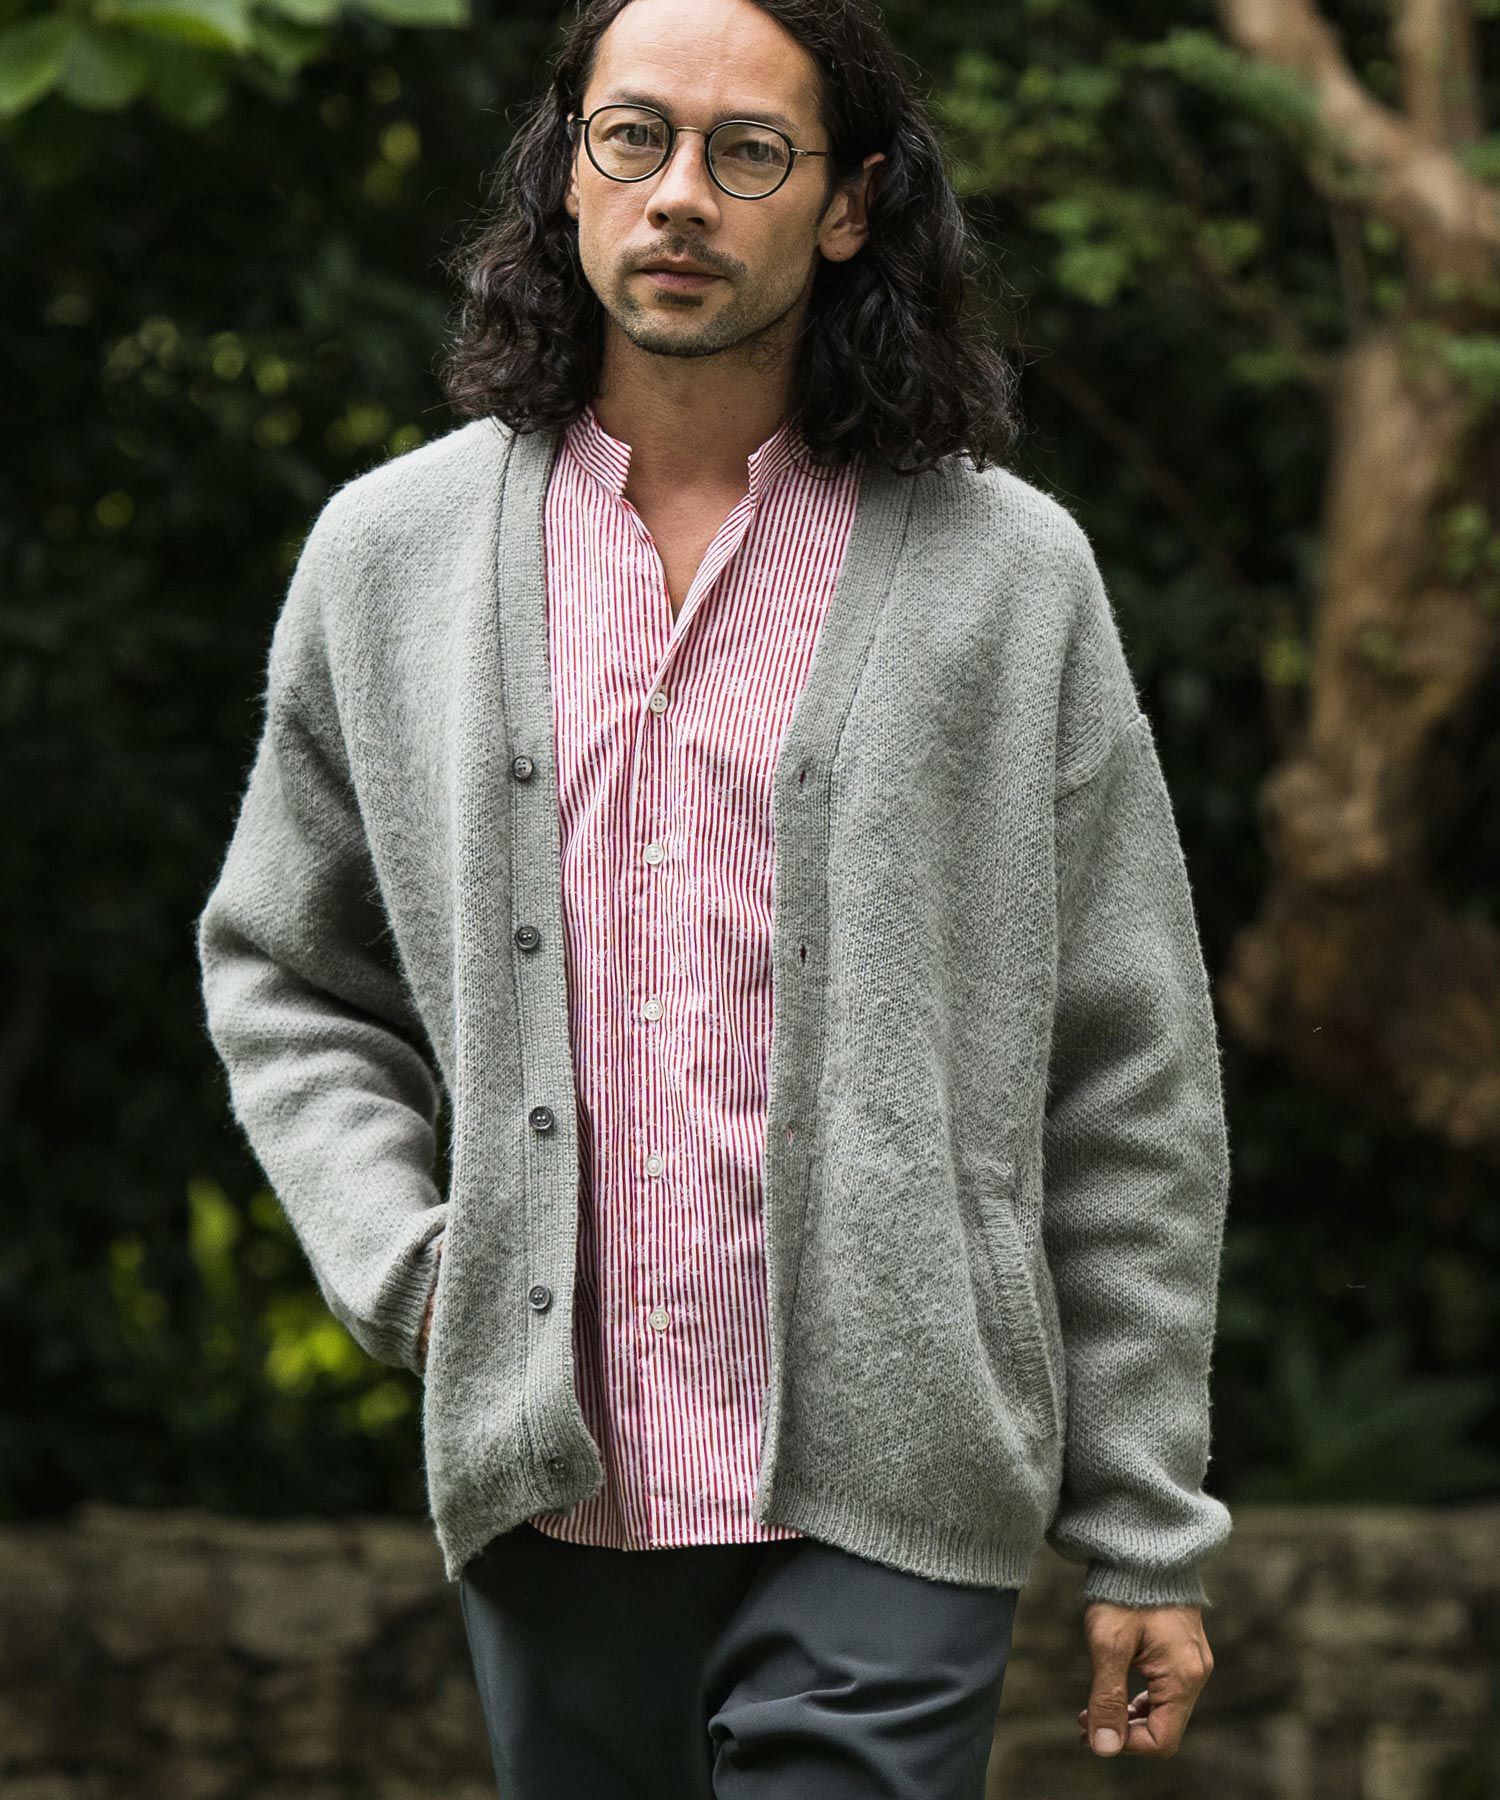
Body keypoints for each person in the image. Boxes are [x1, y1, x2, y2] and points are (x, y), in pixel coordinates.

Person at [195, 0, 1230, 1792]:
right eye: (635, 137)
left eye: (749, 152)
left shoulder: (1006, 576)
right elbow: (287, 970)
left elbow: (1129, 1062)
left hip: (901, 1480)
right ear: (568, 169)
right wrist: (415, 1268)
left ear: (849, 203)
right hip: (552, 1484)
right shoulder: (393, 559)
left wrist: (1143, 1520)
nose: (680, 193)